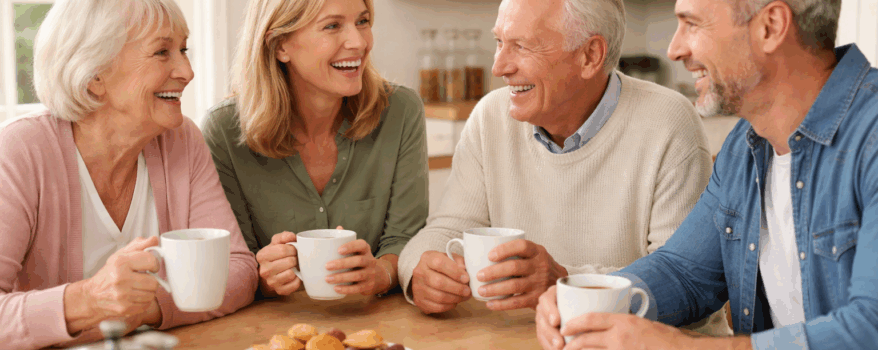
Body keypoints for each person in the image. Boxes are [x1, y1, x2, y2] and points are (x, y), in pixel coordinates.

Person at [535, 0, 878, 349]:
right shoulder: (743, 148)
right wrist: (594, 301)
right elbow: (684, 273)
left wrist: (682, 346)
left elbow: (871, 325)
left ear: (771, 26)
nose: (674, 49)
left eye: (692, 24)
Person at [397, 0, 728, 335]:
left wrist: (564, 282)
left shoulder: (667, 122)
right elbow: (449, 228)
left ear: (590, 56)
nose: (498, 67)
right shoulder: (491, 116)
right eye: (500, 42)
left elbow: (686, 284)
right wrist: (419, 271)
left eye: (522, 46)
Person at [0, 0, 259, 349]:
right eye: (162, 52)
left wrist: (143, 311)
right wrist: (89, 301)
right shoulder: (20, 150)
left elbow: (238, 270)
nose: (187, 71)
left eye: (183, 50)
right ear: (95, 76)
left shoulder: (180, 139)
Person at [201, 0, 428, 299]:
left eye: (362, 21)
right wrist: (264, 277)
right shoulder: (223, 132)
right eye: (332, 26)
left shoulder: (400, 111)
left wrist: (383, 273)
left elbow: (405, 240)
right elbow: (234, 263)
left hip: (378, 325)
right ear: (280, 45)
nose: (359, 42)